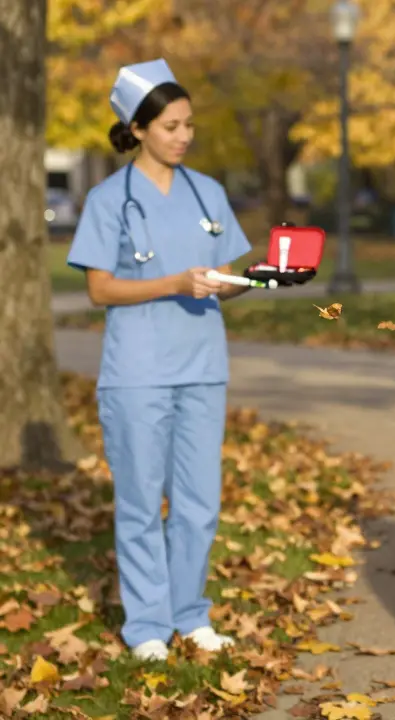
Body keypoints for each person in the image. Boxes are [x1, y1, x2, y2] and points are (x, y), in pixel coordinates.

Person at [66, 58, 258, 662]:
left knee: (201, 502)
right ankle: (147, 626)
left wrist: (258, 280)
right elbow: (100, 289)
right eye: (172, 126)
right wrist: (175, 284)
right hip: (138, 374)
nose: (183, 136)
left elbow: (229, 277)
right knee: (141, 502)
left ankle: (190, 615)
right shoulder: (108, 198)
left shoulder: (210, 192)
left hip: (203, 366)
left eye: (189, 126)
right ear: (140, 129)